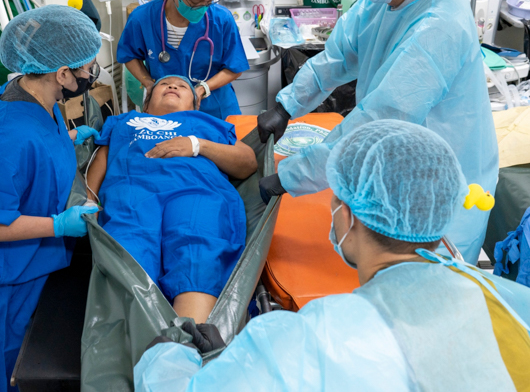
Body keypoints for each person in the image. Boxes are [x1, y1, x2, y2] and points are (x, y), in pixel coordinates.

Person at [134, 120, 530, 391]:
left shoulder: (319, 337)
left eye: (335, 199)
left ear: (349, 215)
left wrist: (172, 354)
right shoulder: (513, 301)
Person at [257, 0, 498, 264]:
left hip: (440, 193)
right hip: (396, 164)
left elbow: (379, 119)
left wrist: (290, 176)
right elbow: (337, 58)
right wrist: (287, 105)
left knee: (419, 294)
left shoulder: (440, 27)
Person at [0, 5, 103, 392]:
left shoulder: (35, 96)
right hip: (2, 281)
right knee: (8, 377)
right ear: (62, 73)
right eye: (87, 69)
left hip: (33, 265)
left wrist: (67, 138)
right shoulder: (6, 139)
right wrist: (58, 225)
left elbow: (34, 154)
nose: (91, 75)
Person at [86, 75, 257, 323]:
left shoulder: (207, 123)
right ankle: (146, 341)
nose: (173, 86)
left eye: (183, 86)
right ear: (145, 105)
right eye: (163, 85)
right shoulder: (123, 121)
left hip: (196, 191)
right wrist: (89, 202)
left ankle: (191, 341)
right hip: (133, 193)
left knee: (197, 249)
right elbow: (102, 159)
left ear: (195, 105)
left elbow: (248, 163)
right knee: (129, 256)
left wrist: (198, 145)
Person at [117, 0, 249, 120]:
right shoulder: (143, 18)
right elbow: (129, 55)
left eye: (209, 2)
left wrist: (203, 89)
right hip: (168, 111)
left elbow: (235, 67)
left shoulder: (221, 19)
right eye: (196, 2)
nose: (203, 8)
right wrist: (149, 83)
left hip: (215, 109)